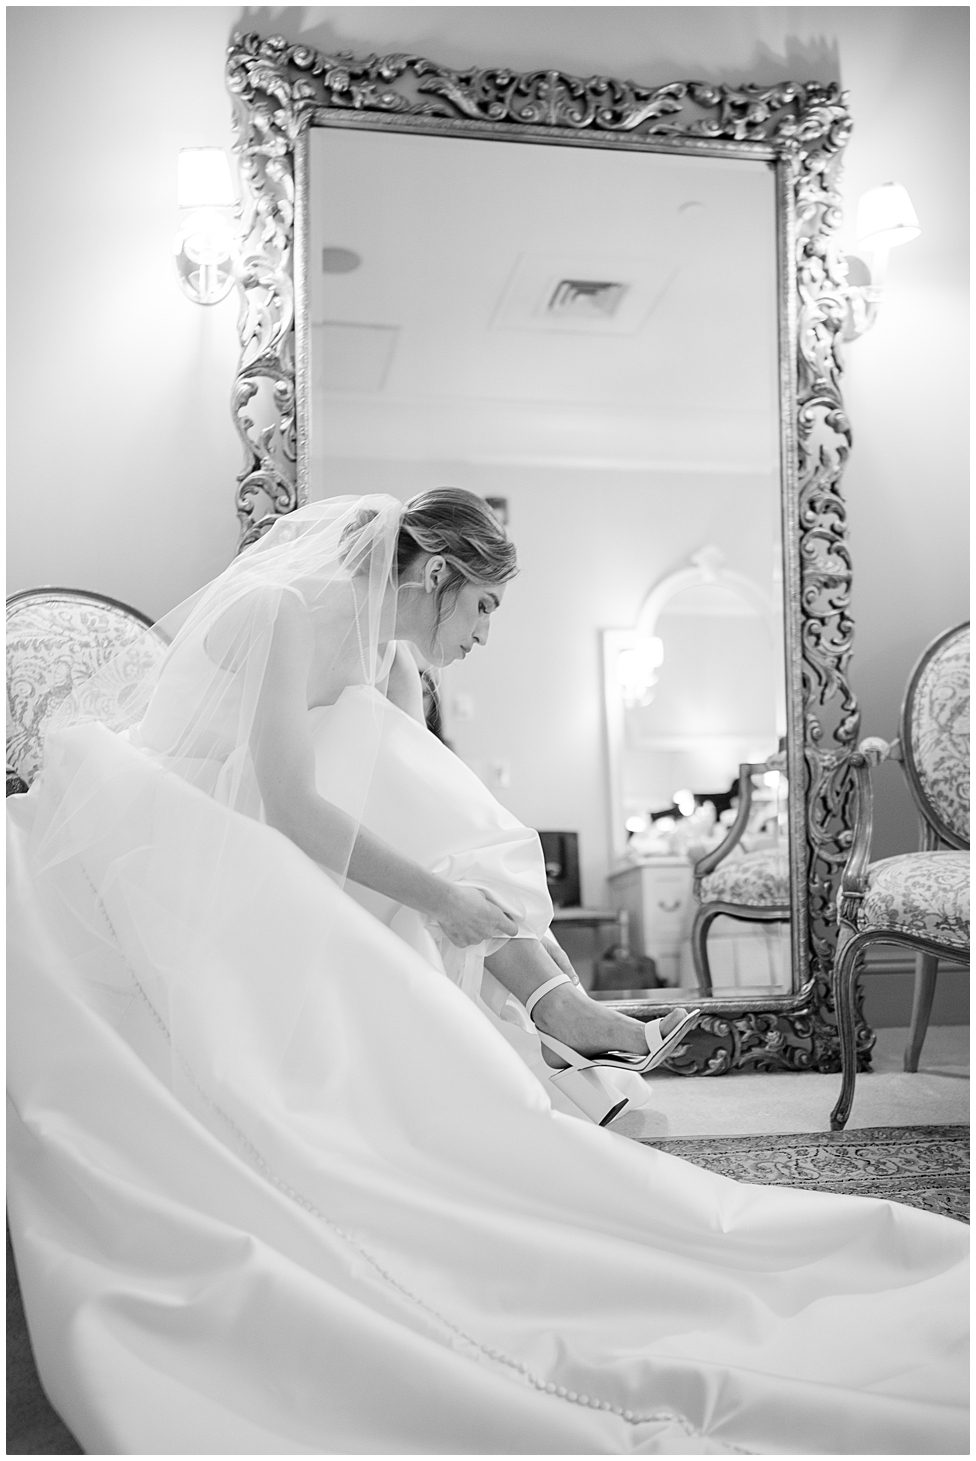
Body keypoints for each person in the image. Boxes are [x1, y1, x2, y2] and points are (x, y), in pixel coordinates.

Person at [6, 490, 968, 1455]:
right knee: (405, 808)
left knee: (413, 785)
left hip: (277, 838)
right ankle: (557, 1006)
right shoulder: (282, 610)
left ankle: (553, 1004)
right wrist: (440, 896)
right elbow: (291, 804)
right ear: (435, 575)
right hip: (171, 839)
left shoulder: (388, 657)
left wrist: (447, 893)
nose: (484, 634)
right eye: (484, 607)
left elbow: (428, 812)